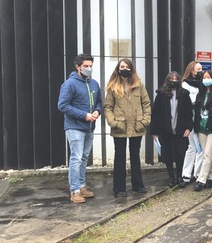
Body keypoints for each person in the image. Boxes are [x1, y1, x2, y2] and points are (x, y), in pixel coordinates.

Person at [58, 53, 102, 204]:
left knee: (83, 158)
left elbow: (98, 102)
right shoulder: (69, 84)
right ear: (77, 67)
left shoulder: (94, 83)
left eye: (90, 66)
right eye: (85, 66)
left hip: (89, 127)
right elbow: (62, 105)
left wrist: (97, 111)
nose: (89, 69)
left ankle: (82, 186)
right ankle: (74, 191)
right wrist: (84, 115)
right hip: (75, 127)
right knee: (76, 158)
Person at [104, 59, 151, 197]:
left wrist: (144, 121)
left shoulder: (139, 84)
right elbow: (108, 107)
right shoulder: (113, 86)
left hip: (137, 126)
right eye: (122, 66)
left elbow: (146, 104)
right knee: (120, 157)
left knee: (135, 156)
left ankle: (138, 185)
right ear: (118, 69)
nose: (124, 69)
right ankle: (119, 188)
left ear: (131, 69)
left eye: (127, 66)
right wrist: (113, 122)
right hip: (120, 127)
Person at [150, 71, 193, 188]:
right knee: (168, 154)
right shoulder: (161, 94)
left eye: (176, 78)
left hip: (180, 129)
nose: (174, 80)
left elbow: (189, 112)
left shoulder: (184, 94)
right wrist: (154, 131)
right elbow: (156, 113)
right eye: (172, 78)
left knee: (180, 153)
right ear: (167, 80)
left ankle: (180, 176)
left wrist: (189, 127)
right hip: (165, 129)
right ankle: (171, 177)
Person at [193, 70, 212, 191]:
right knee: (205, 154)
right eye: (204, 77)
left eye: (208, 77)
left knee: (208, 153)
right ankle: (211, 177)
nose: (206, 79)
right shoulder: (201, 93)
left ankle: (201, 179)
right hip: (201, 127)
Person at [180, 61, 204, 187]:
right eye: (197, 69)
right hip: (191, 120)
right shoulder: (185, 84)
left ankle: (193, 173)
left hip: (201, 119)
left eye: (201, 69)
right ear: (191, 71)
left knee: (196, 147)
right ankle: (190, 173)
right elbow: (186, 103)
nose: (200, 71)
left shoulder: (202, 83)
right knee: (194, 147)